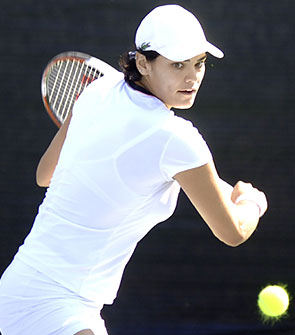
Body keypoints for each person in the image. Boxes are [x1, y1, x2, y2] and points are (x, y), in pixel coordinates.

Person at [0, 4, 267, 335]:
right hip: (64, 310)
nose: (191, 77)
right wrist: (251, 204)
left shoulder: (94, 91)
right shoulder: (178, 140)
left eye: (199, 64)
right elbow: (234, 231)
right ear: (143, 62)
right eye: (177, 64)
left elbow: (45, 174)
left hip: (15, 288)